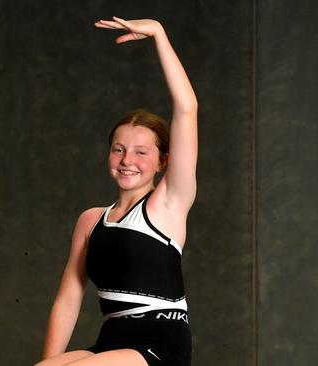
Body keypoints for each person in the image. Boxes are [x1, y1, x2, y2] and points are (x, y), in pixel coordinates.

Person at [36, 17, 198, 366]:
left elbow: (187, 109)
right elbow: (68, 299)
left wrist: (158, 33)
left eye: (142, 152)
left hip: (160, 343)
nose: (128, 160)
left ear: (162, 161)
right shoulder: (91, 220)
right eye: (119, 149)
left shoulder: (168, 204)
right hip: (111, 342)